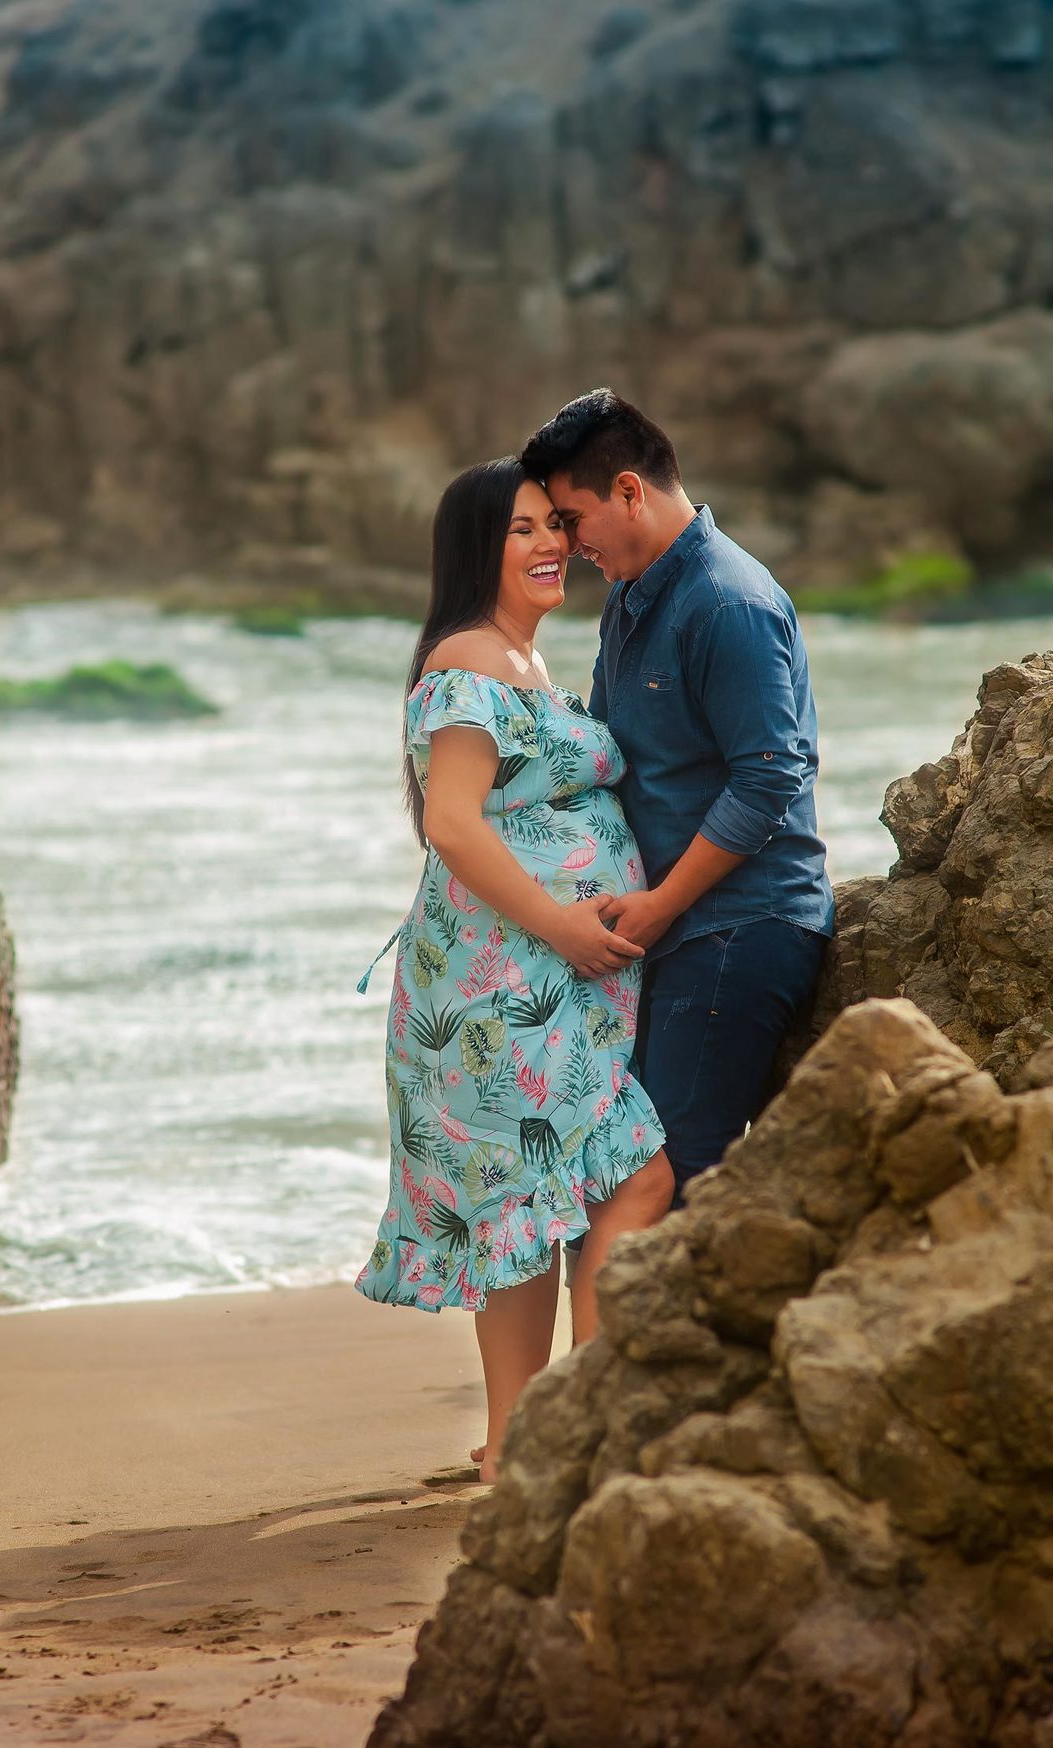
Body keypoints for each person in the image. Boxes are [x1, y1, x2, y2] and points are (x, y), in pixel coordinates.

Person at [355, 456, 674, 1482]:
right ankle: (556, 1436)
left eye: (553, 525)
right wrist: (564, 926)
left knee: (531, 1210)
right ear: (473, 550)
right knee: (582, 1189)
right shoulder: (471, 659)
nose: (549, 545)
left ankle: (519, 1441)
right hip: (500, 989)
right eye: (520, 530)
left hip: (542, 986)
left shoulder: (523, 660)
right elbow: (449, 820)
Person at [521, 390, 834, 1196]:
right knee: (628, 1168)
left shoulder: (729, 602)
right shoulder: (632, 594)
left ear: (630, 491)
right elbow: (612, 754)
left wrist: (660, 904)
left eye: (571, 518)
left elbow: (770, 778)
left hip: (740, 926)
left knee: (670, 1175)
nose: (567, 541)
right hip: (671, 928)